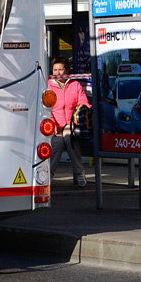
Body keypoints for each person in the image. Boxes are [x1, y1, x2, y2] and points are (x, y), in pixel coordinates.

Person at [49, 58, 91, 186]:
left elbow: (84, 103)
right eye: (55, 70)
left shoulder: (75, 85)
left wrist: (79, 114)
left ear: (66, 70)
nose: (57, 72)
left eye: (60, 69)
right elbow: (45, 107)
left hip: (70, 124)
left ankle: (79, 174)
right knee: (57, 143)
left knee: (69, 140)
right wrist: (53, 123)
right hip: (55, 124)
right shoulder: (48, 85)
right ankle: (48, 175)